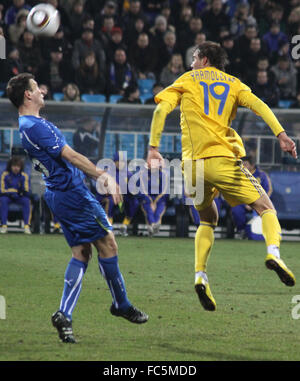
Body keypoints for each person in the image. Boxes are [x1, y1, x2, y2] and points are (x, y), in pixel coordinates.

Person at [147, 41, 297, 312]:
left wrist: (154, 148)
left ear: (204, 59)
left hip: (192, 167)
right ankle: (274, 254)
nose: (191, 63)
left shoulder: (187, 79)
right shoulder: (233, 83)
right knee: (265, 208)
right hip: (222, 160)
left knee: (208, 218)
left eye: (194, 58)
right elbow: (260, 106)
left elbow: (160, 110)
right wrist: (281, 135)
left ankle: (200, 276)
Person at [6, 73, 148, 343]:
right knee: (108, 244)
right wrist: (102, 176)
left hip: (57, 195)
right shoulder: (36, 126)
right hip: (72, 194)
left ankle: (65, 315)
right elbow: (70, 155)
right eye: (37, 89)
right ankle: (121, 304)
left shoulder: (25, 125)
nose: (43, 92)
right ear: (27, 95)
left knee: (82, 253)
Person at [231, 156, 273, 240]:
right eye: (242, 164)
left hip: (259, 203)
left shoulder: (262, 175)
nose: (243, 166)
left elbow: (268, 191)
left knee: (267, 211)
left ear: (252, 165)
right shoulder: (238, 175)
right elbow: (235, 191)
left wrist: (256, 203)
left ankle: (265, 234)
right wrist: (246, 203)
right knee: (236, 209)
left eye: (245, 164)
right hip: (243, 203)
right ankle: (241, 231)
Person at [0, 156, 31, 234]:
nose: (16, 168)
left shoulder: (24, 175)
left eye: (18, 166)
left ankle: (26, 226)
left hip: (19, 197)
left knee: (26, 201)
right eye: (14, 166)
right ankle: (4, 226)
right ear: (10, 166)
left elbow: (26, 190)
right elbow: (3, 190)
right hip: (7, 196)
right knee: (3, 200)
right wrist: (14, 192)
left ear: (21, 167)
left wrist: (18, 193)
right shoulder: (5, 174)